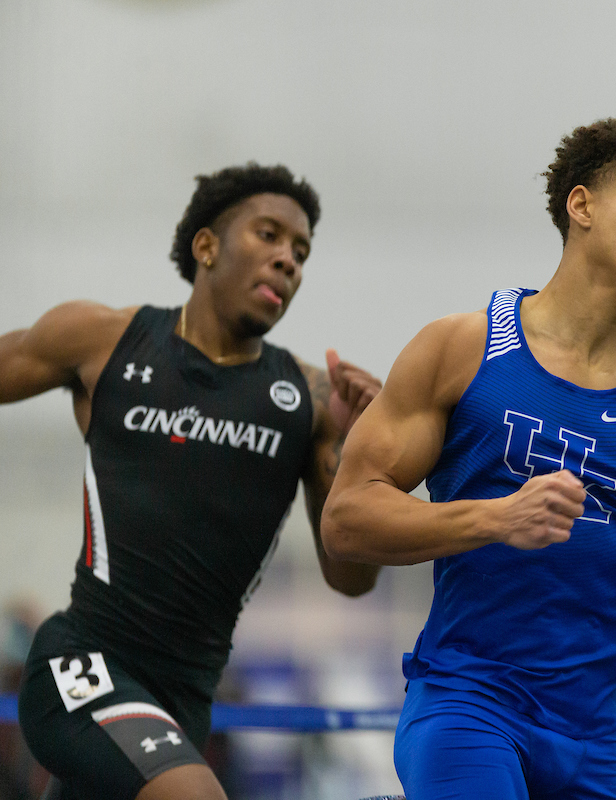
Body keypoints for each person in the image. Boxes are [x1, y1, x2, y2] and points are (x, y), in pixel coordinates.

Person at [323, 114, 616, 800]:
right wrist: (491, 519)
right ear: (582, 205)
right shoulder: (460, 351)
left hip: (590, 744)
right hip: (468, 705)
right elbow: (346, 520)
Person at [0, 163, 383, 800]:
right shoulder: (103, 341)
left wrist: (353, 447)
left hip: (183, 701)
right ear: (206, 246)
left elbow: (351, 578)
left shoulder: (312, 402)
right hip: (82, 667)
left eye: (301, 251)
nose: (287, 260)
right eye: (268, 235)